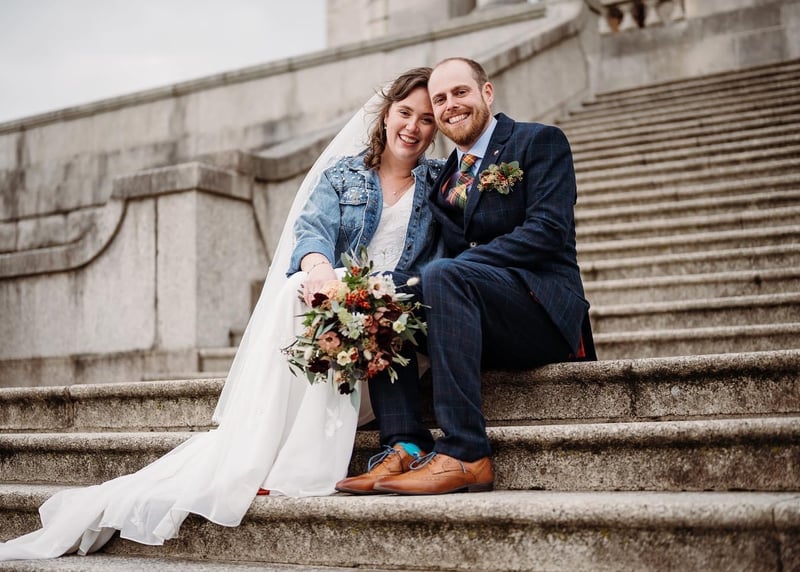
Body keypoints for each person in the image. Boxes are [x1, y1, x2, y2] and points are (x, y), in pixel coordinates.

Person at [0, 67, 441, 560]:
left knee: (372, 305)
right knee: (300, 287)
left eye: (426, 119)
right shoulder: (343, 175)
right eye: (405, 113)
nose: (413, 127)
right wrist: (320, 270)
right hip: (333, 304)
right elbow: (312, 230)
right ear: (386, 114)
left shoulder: (438, 183)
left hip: (395, 320)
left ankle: (304, 457)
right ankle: (273, 453)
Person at [337, 57, 597, 496]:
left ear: (486, 93)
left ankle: (465, 453)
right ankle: (404, 445)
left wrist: (458, 269)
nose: (450, 105)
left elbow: (548, 231)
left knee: (443, 274)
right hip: (478, 318)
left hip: (541, 311)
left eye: (460, 92)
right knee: (384, 299)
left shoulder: (539, 141)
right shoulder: (443, 181)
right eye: (440, 99)